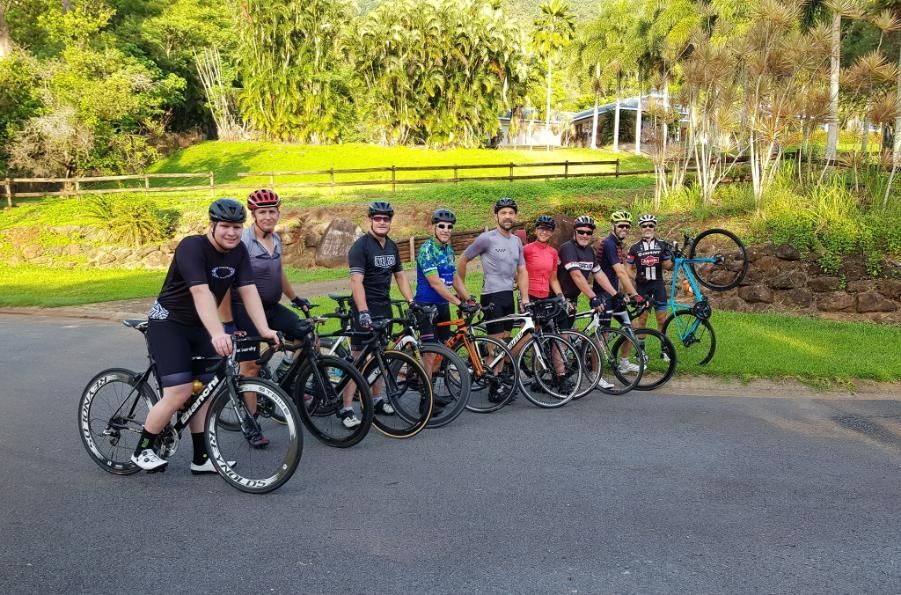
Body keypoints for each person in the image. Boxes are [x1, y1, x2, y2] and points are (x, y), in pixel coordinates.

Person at [131, 198, 280, 473]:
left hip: (200, 324)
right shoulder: (192, 247)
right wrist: (217, 333)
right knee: (180, 391)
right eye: (225, 226)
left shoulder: (239, 252)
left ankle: (201, 459)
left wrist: (264, 330)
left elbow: (248, 290)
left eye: (237, 227)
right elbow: (200, 292)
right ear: (212, 225)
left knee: (204, 392)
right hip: (169, 323)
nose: (231, 233)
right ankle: (143, 449)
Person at [218, 189, 313, 446]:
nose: (268, 216)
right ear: (254, 215)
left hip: (271, 307)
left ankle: (285, 377)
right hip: (243, 310)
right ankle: (251, 423)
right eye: (263, 212)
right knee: (250, 367)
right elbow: (225, 285)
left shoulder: (276, 239)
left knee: (306, 335)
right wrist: (228, 323)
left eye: (272, 211)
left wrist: (295, 299)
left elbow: (279, 273)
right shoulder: (243, 242)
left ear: (278, 213)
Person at [345, 200, 415, 426]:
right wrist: (363, 311)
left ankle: (376, 399)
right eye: (377, 218)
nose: (382, 222)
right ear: (370, 220)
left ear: (390, 221)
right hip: (364, 308)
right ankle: (346, 408)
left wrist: (411, 301)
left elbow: (400, 276)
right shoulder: (361, 247)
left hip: (384, 307)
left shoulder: (392, 246)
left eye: (386, 219)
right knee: (357, 360)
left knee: (381, 357)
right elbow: (356, 281)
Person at [413, 208, 477, 406]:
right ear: (433, 227)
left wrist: (469, 299)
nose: (445, 230)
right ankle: (425, 400)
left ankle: (431, 391)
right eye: (441, 226)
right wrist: (458, 302)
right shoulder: (427, 250)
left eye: (449, 227)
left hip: (442, 306)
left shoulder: (448, 249)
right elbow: (435, 283)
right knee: (430, 354)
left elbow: (454, 278)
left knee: (442, 351)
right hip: (426, 306)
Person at [556, 215, 623, 390]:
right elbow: (576, 275)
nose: (584, 235)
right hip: (558, 298)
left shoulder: (590, 252)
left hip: (572, 299)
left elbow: (599, 275)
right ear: (575, 232)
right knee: (562, 338)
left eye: (588, 232)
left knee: (566, 335)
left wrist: (615, 294)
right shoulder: (568, 248)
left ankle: (561, 370)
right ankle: (559, 378)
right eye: (581, 232)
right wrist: (593, 297)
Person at [456, 197, 529, 343]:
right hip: (492, 297)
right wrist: (461, 290)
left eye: (511, 213)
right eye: (503, 213)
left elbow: (522, 270)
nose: (507, 216)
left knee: (507, 343)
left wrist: (525, 297)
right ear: (496, 216)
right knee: (495, 346)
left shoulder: (516, 241)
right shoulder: (487, 239)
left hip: (509, 296)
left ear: (515, 216)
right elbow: (462, 260)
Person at [594, 210, 645, 374]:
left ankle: (624, 363)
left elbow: (621, 273)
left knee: (632, 326)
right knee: (603, 335)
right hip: (603, 295)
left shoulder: (616, 244)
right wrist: (635, 295)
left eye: (627, 226)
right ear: (613, 226)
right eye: (621, 226)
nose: (624, 229)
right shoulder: (609, 244)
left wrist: (627, 293)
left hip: (614, 295)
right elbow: (620, 272)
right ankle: (595, 373)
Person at [626, 213, 672, 329]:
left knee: (662, 321)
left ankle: (663, 341)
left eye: (651, 225)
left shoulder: (662, 245)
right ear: (640, 228)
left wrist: (674, 258)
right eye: (644, 226)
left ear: (654, 227)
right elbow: (628, 269)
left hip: (658, 285)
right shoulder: (634, 248)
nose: (648, 228)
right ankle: (640, 342)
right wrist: (636, 277)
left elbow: (667, 266)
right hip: (642, 287)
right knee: (642, 320)